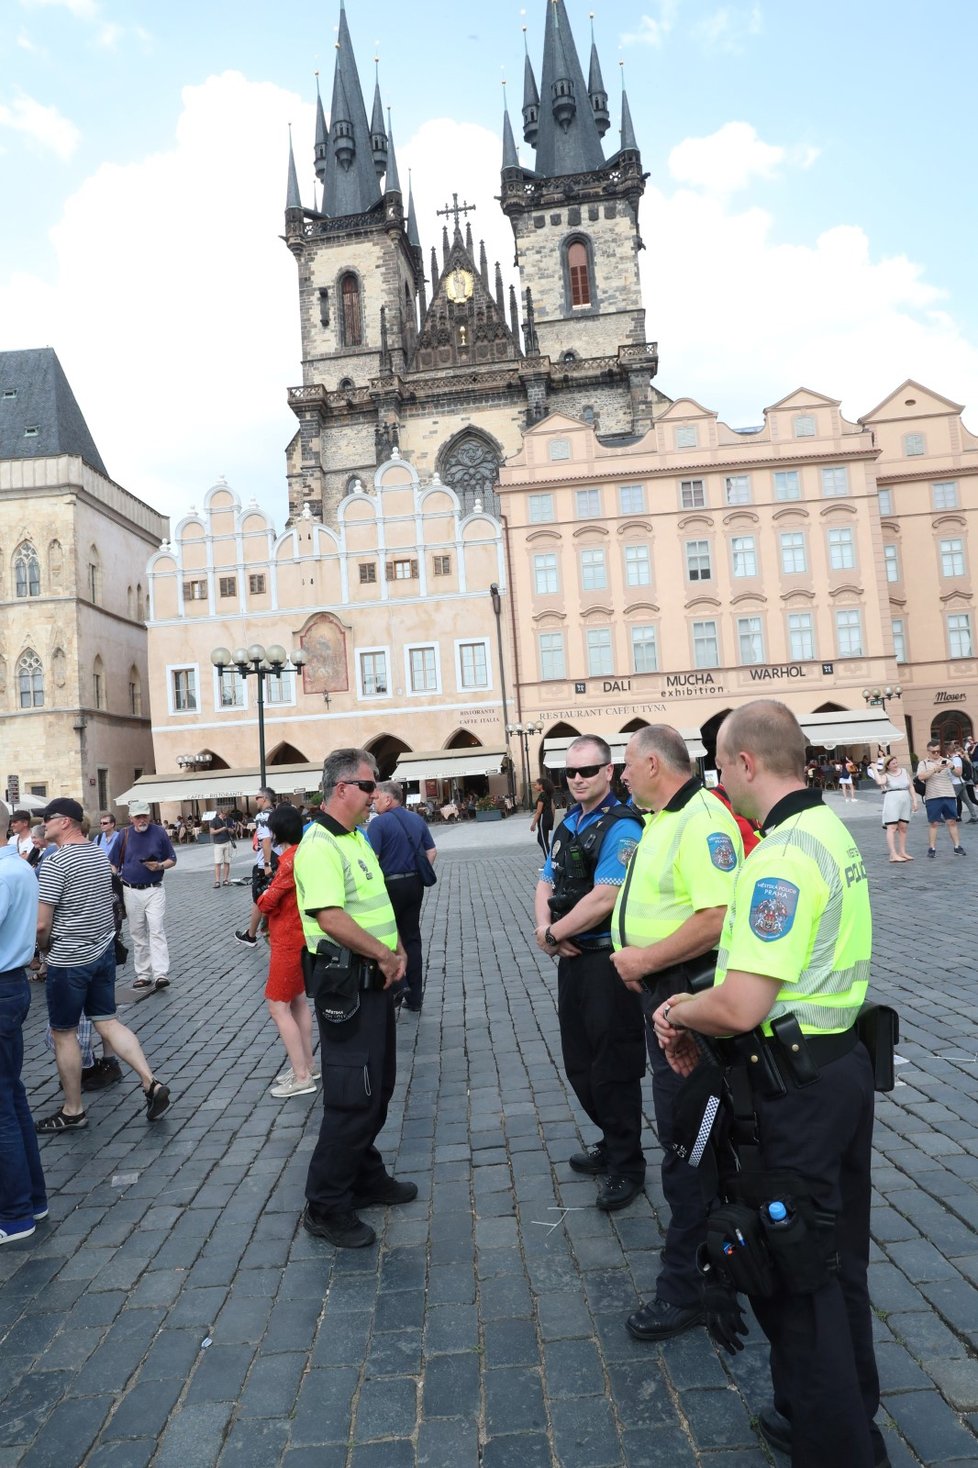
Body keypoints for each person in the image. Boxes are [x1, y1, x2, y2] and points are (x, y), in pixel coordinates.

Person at [651, 700, 884, 1468]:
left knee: (794, 1273)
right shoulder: (828, 832)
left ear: (747, 763)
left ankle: (838, 1446)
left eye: (721, 764)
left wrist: (679, 1008)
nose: (719, 779)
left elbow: (744, 1001)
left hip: (794, 1093)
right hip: (840, 1070)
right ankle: (846, 1407)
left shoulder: (780, 856)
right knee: (836, 1256)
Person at [610, 724, 743, 1342]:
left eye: (628, 766)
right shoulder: (665, 816)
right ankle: (721, 1264)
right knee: (689, 1136)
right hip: (664, 996)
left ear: (657, 764)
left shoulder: (701, 819)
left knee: (689, 1143)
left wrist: (644, 959)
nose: (622, 776)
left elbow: (717, 918)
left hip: (685, 1000)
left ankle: (687, 1286)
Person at [295, 748, 415, 1249]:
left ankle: (364, 1174)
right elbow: (332, 918)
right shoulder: (320, 843)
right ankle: (325, 1204)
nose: (376, 795)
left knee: (376, 1086)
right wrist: (385, 958)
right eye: (369, 786)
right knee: (353, 1096)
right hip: (349, 983)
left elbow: (375, 904)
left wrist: (399, 947)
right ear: (342, 788)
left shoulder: (355, 837)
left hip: (375, 980)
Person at [533, 736, 646, 1212]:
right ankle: (610, 1138)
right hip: (571, 957)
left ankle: (628, 1163)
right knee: (579, 1061)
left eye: (587, 770)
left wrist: (554, 933)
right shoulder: (570, 823)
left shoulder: (623, 827)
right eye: (569, 773)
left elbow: (606, 896)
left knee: (613, 1065)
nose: (577, 779)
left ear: (609, 771)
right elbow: (545, 880)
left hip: (607, 961)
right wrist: (546, 930)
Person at [34, 798, 170, 1132]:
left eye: (48, 819)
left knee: (64, 1032)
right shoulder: (97, 852)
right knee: (107, 1021)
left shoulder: (55, 862)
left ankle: (73, 1109)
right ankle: (150, 1081)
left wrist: (42, 952)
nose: (44, 825)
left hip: (69, 959)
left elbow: (41, 925)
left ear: (65, 822)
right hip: (102, 952)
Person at [0, 797, 47, 1243]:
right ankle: (33, 1200)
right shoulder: (19, 867)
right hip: (12, 983)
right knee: (13, 1099)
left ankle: (14, 1216)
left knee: (3, 1110)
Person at [253, 803, 319, 1099]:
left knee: (278, 1006)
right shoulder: (301, 854)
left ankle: (302, 1075)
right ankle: (307, 1064)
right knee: (297, 1002)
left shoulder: (289, 861)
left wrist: (265, 894)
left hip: (287, 939)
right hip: (299, 936)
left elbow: (266, 903)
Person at [367, 781, 436, 1013]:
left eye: (376, 798)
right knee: (412, 938)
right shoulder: (416, 819)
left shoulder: (378, 824)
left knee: (388, 937)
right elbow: (432, 851)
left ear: (388, 799)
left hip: (389, 886)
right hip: (414, 884)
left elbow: (373, 859)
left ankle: (399, 985)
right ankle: (415, 997)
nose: (373, 802)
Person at [117, 800, 177, 989]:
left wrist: (159, 865)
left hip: (154, 888)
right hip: (130, 889)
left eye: (144, 816)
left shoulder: (159, 832)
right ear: (131, 818)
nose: (142, 820)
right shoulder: (124, 834)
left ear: (149, 816)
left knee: (156, 929)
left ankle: (160, 973)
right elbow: (113, 863)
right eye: (138, 817)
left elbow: (172, 859)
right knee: (137, 933)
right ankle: (143, 973)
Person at [235, 788, 278, 946]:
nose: (256, 800)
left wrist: (266, 864)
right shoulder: (277, 814)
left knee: (259, 900)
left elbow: (266, 840)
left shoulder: (262, 816)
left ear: (265, 799)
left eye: (257, 797)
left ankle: (253, 935)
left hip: (264, 864)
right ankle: (251, 933)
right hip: (280, 860)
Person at [916, 741, 965, 857]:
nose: (937, 753)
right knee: (934, 823)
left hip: (948, 794)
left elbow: (959, 773)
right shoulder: (923, 763)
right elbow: (921, 777)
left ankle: (957, 846)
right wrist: (934, 769)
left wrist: (952, 766)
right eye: (934, 752)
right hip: (932, 796)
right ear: (928, 752)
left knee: (952, 821)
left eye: (938, 751)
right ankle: (931, 848)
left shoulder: (947, 760)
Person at [871, 754, 917, 862]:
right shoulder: (886, 775)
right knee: (891, 827)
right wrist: (874, 769)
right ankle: (893, 854)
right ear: (888, 766)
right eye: (893, 763)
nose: (896, 765)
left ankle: (902, 851)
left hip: (905, 799)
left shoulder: (904, 772)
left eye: (896, 762)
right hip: (892, 800)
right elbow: (879, 782)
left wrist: (914, 800)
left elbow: (910, 786)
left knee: (903, 826)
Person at [529, 778, 555, 856]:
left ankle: (549, 862)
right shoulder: (549, 794)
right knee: (540, 839)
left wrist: (533, 824)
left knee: (543, 841)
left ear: (541, 785)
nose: (535, 786)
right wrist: (552, 818)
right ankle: (549, 857)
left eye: (536, 784)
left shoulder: (542, 795)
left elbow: (538, 811)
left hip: (543, 818)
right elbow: (553, 807)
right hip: (549, 816)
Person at [209, 810, 233, 889]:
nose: (226, 816)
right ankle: (217, 881)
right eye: (224, 814)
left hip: (228, 842)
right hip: (218, 844)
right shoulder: (214, 820)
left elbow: (232, 831)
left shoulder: (229, 820)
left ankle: (225, 880)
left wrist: (230, 830)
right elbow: (212, 832)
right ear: (221, 813)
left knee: (227, 862)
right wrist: (221, 829)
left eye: (227, 814)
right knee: (218, 863)